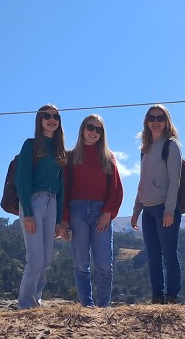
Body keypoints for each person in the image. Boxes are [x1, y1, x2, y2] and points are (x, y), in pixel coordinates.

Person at [61, 114, 123, 308]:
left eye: (99, 129)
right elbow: (62, 189)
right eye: (90, 127)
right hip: (76, 211)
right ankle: (86, 306)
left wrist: (108, 212)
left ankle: (104, 306)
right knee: (81, 263)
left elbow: (116, 188)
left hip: (100, 212)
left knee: (104, 264)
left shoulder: (108, 157)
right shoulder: (70, 157)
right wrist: (63, 219)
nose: (94, 132)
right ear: (82, 129)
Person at [15, 104, 66, 309]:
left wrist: (59, 219)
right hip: (33, 202)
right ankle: (25, 305)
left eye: (56, 116)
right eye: (47, 116)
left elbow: (61, 186)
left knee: (45, 261)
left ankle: (36, 301)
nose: (52, 119)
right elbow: (22, 180)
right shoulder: (31, 145)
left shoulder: (59, 150)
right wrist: (27, 212)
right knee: (35, 259)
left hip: (51, 203)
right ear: (39, 120)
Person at [131, 104, 182, 304]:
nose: (155, 121)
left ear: (166, 121)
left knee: (169, 255)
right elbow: (142, 182)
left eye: (160, 118)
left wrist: (169, 210)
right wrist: (136, 210)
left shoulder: (171, 145)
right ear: (146, 122)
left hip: (164, 208)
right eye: (152, 118)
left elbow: (174, 181)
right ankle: (157, 297)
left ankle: (172, 297)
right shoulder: (145, 149)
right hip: (148, 210)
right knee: (153, 257)